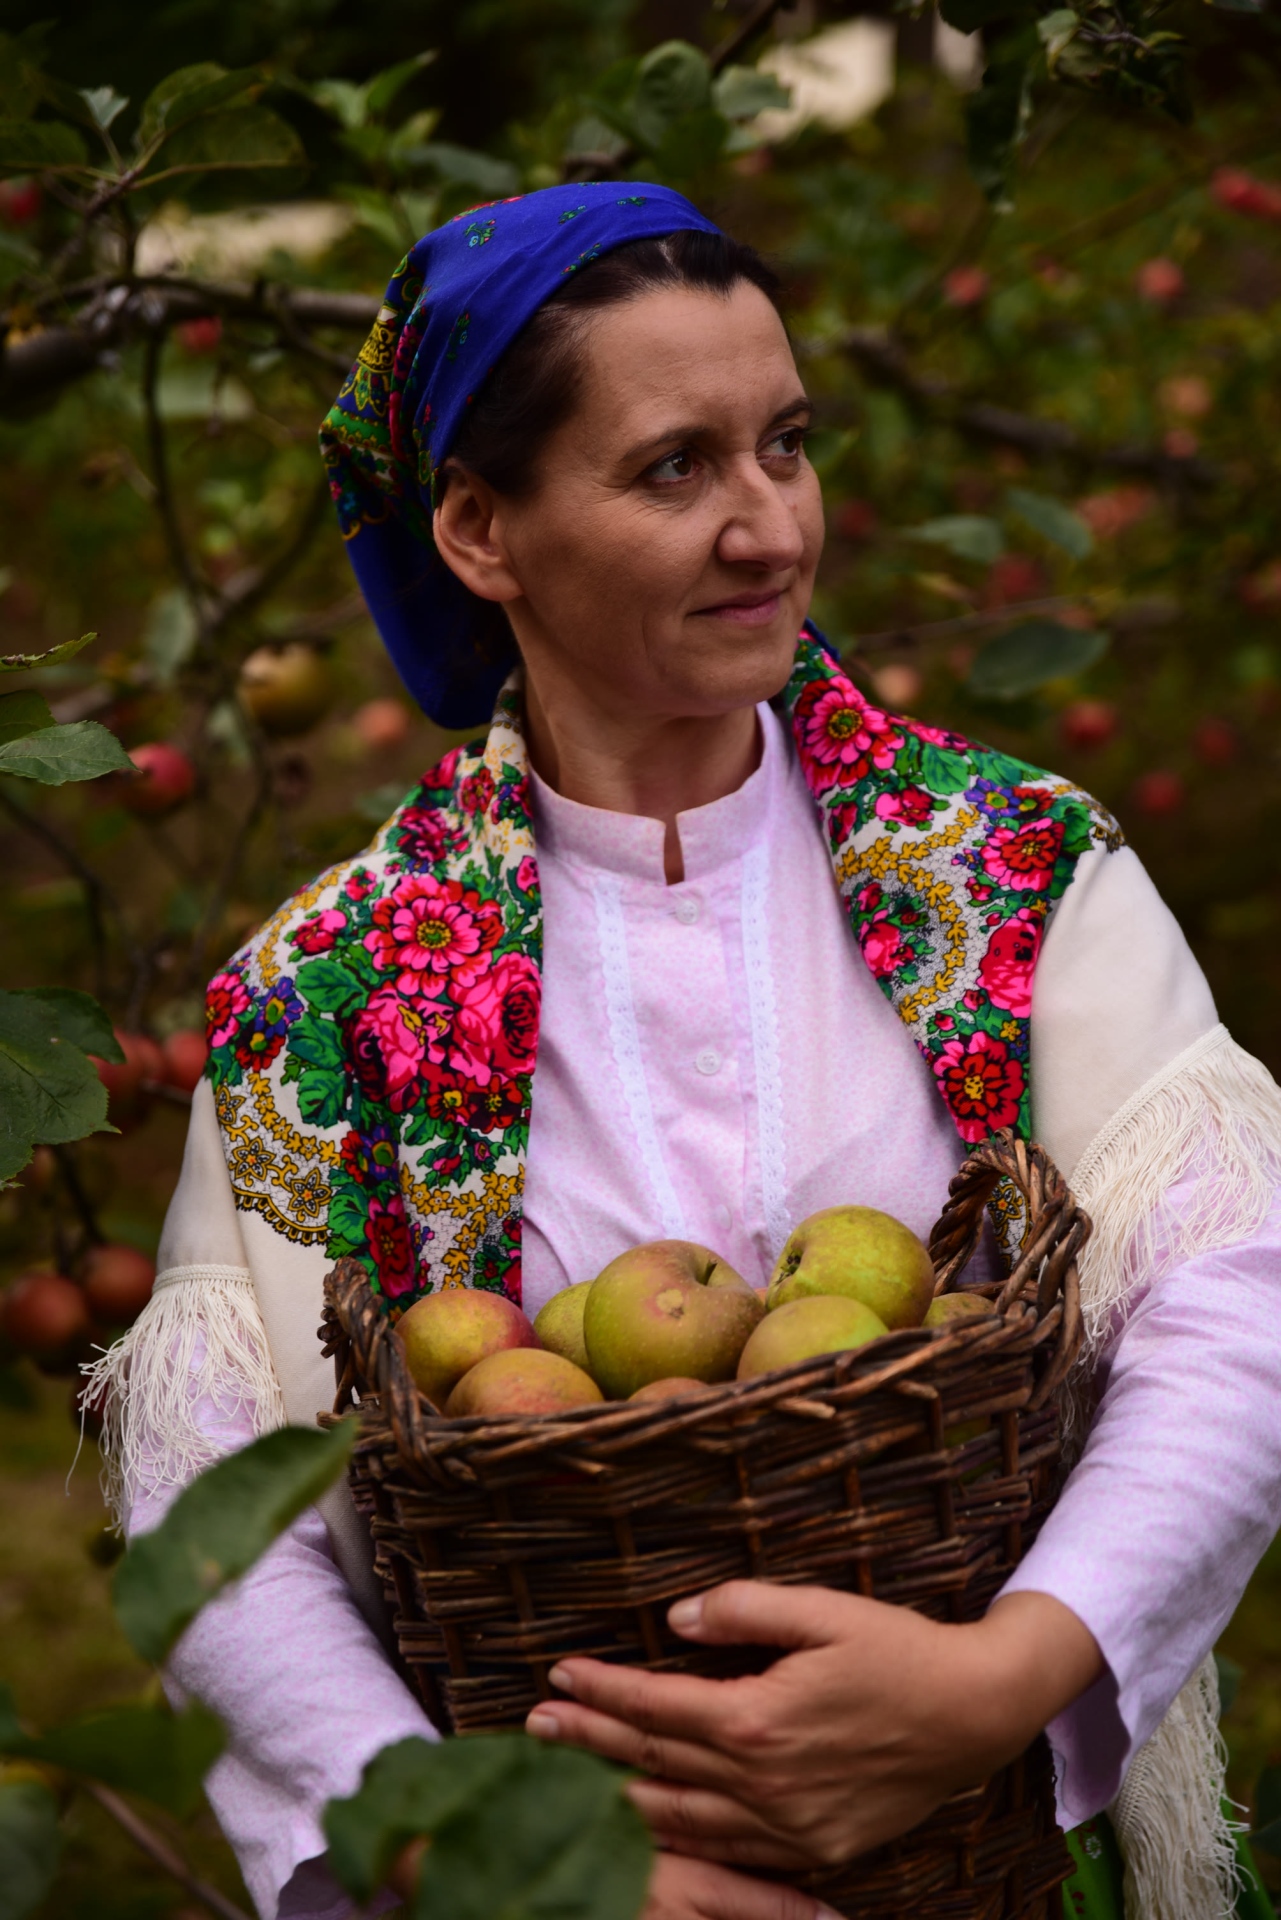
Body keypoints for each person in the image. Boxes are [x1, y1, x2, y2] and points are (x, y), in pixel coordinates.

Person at [91, 182, 1281, 1920]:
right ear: (480, 529)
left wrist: (1007, 1670)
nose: (769, 527)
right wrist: (482, 1850)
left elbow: (1236, 1295)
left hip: (1010, 1847)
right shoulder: (323, 997)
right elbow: (214, 1514)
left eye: (784, 445)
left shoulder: (1011, 869)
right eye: (674, 468)